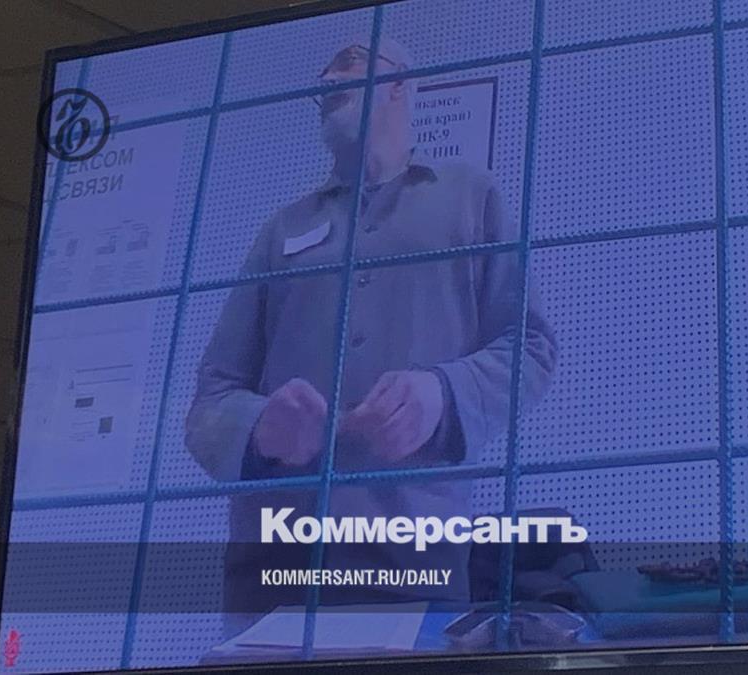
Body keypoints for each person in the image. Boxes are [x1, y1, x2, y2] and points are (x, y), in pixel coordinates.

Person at [184, 35, 557, 640]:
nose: (329, 79)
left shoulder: (472, 199)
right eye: (324, 74)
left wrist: (442, 395)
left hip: (413, 565)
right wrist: (258, 429)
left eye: (351, 63)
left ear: (401, 84)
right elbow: (211, 398)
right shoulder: (281, 230)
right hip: (273, 572)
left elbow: (531, 349)